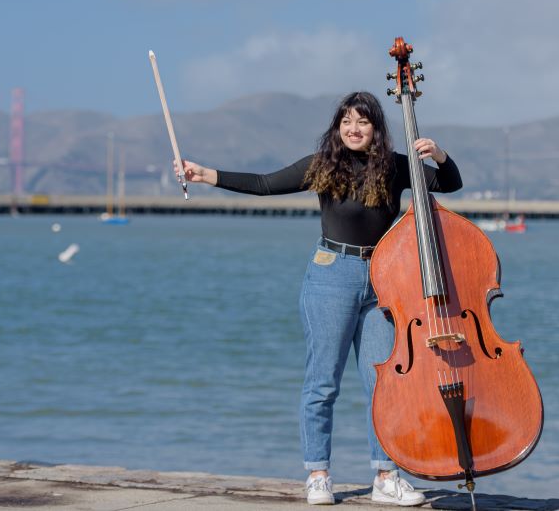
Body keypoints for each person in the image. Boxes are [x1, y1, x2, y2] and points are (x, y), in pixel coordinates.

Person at [176, 91, 462, 506]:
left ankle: (386, 476)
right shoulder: (322, 165)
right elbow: (263, 184)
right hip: (332, 276)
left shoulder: (397, 167)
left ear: (375, 128)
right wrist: (206, 174)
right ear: (337, 127)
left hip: (384, 280)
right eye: (346, 120)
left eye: (362, 121)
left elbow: (451, 183)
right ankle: (318, 474)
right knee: (322, 383)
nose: (353, 128)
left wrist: (438, 153)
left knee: (384, 384)